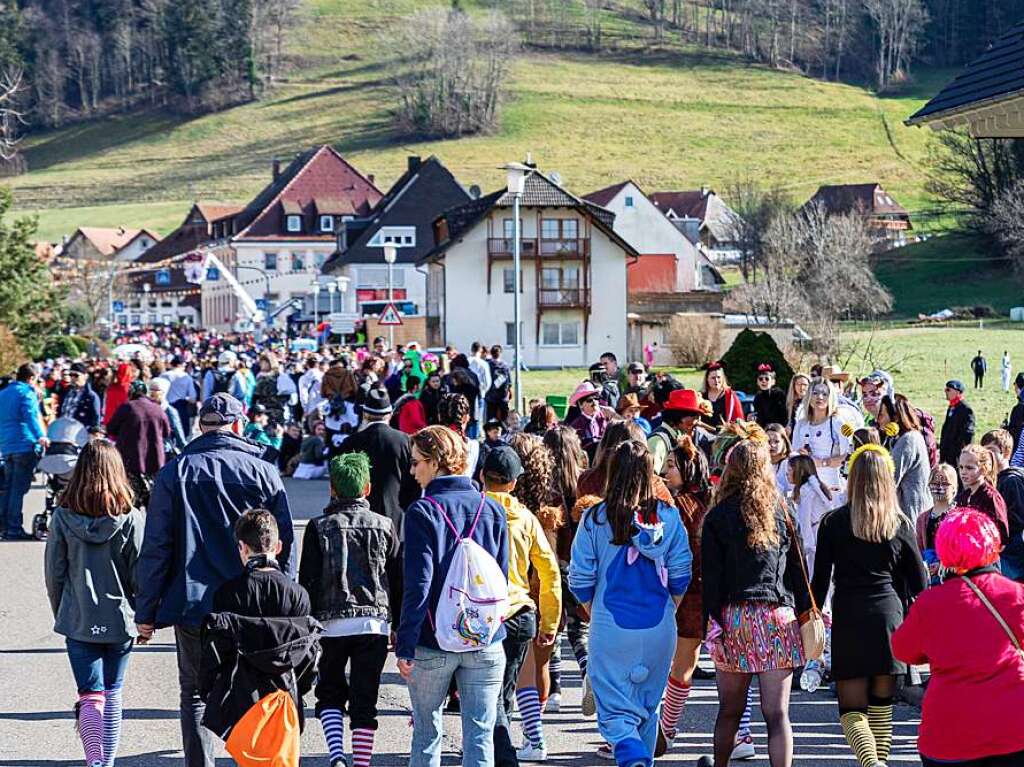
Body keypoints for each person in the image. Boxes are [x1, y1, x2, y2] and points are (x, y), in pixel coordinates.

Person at [135, 392, 294, 767]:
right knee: (256, 684)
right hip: (253, 599)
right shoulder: (263, 470)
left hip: (194, 601)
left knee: (194, 690)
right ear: (237, 425)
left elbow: (156, 546)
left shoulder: (175, 471)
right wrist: (287, 593)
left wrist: (146, 611)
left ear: (200, 425)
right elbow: (283, 537)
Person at [569, 440, 691, 767]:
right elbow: (681, 572)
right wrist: (670, 608)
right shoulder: (667, 515)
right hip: (660, 626)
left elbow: (579, 577)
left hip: (610, 626)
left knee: (616, 716)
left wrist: (594, 613)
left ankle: (634, 760)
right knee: (648, 710)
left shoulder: (595, 517)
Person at [396, 425, 509, 767]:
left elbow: (419, 584)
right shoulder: (491, 509)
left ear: (435, 462)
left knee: (427, 734)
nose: (412, 471)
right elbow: (500, 579)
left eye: (416, 462)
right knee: (479, 735)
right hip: (485, 637)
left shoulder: (422, 512)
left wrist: (405, 643)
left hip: (434, 640)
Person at [701, 421, 811, 767]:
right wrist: (809, 613)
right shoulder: (783, 512)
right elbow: (798, 570)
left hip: (735, 617)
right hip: (778, 616)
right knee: (777, 715)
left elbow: (712, 579)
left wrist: (712, 621)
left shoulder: (717, 516)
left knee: (730, 711)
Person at [811, 443, 927, 767]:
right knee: (881, 708)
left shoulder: (833, 522)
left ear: (853, 479)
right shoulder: (900, 524)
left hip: (850, 617)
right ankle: (878, 763)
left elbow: (819, 581)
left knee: (851, 712)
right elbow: (920, 582)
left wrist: (811, 620)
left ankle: (872, 764)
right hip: (890, 620)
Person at [892, 509, 1024, 767]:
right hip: (1011, 729)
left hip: (947, 734)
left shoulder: (930, 603)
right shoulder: (1014, 595)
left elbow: (902, 650)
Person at [44, 441, 144, 767]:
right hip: (120, 619)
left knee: (90, 695)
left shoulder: (61, 517)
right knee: (113, 695)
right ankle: (109, 760)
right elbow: (140, 572)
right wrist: (144, 616)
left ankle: (94, 762)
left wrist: (62, 611)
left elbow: (54, 573)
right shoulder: (130, 518)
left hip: (78, 616)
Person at [300, 453, 398, 767]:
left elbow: (308, 580)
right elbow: (395, 577)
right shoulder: (384, 525)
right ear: (367, 489)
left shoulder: (318, 527)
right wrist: (397, 622)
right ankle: (362, 761)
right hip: (374, 622)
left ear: (332, 489)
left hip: (330, 624)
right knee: (365, 695)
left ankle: (337, 754)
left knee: (328, 691)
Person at [199, 510, 317, 752]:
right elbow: (307, 654)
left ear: (242, 547)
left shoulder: (227, 594)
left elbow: (216, 654)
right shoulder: (298, 594)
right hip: (285, 697)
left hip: (242, 698)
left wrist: (209, 692)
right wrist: (301, 689)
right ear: (279, 546)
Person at [482, 445, 562, 765]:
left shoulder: (474, 511)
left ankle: (497, 750)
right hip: (521, 612)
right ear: (514, 483)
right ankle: (496, 745)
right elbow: (548, 571)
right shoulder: (526, 518)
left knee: (487, 689)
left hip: (484, 612)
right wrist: (550, 622)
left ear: (481, 477)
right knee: (506, 686)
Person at [659, 437, 712, 750]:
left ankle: (662, 730)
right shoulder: (712, 499)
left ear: (688, 468)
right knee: (687, 667)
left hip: (679, 595)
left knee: (670, 667)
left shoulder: (674, 505)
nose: (665, 471)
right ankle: (666, 728)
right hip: (702, 594)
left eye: (670, 466)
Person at [106, 379, 171, 506]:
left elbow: (111, 429)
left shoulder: (127, 407)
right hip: (154, 461)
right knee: (153, 503)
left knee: (130, 500)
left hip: (129, 461)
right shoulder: (157, 409)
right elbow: (166, 433)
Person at [0, 362, 47, 540]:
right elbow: (31, 416)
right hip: (24, 444)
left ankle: (4, 526)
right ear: (31, 378)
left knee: (8, 488)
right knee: (18, 489)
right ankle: (13, 529)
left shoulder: (3, 393)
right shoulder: (27, 393)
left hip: (7, 445)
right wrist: (41, 436)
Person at [791, 377, 853, 493]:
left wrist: (822, 462)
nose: (820, 397)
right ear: (809, 396)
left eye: (825, 394)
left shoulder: (838, 422)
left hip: (833, 488)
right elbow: (794, 454)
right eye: (815, 393)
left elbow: (849, 455)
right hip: (807, 487)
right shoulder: (801, 424)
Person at [877, 394, 931, 520]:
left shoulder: (908, 440)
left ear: (895, 418)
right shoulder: (897, 439)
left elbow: (890, 479)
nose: (878, 420)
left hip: (912, 513)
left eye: (882, 415)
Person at [981, 429, 1024, 581]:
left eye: (992, 451)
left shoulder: (1012, 481)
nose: (987, 455)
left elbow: (1016, 519)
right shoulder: (991, 480)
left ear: (1006, 453)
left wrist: (999, 537)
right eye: (984, 451)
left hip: (1010, 551)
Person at [647, 388, 713, 474]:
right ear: (678, 416)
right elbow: (651, 478)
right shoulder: (658, 441)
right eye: (694, 416)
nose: (698, 423)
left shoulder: (679, 436)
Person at [956, 444, 1009, 545]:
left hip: (986, 556)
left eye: (969, 468)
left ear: (983, 469)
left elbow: (1002, 536)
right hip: (966, 554)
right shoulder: (963, 496)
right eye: (961, 467)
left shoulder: (991, 497)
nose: (963, 472)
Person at [788, 454, 832, 571]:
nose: (787, 473)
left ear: (800, 471)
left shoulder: (806, 490)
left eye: (790, 470)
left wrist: (805, 546)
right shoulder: (812, 487)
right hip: (820, 535)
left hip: (815, 539)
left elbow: (805, 520)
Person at [916, 463, 958, 584]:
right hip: (928, 574)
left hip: (950, 575)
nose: (939, 486)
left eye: (945, 483)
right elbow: (919, 548)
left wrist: (942, 564)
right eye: (934, 483)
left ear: (954, 487)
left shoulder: (957, 516)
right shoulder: (922, 518)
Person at [148, 377, 188, 457]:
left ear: (163, 392)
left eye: (156, 390)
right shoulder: (147, 407)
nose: (152, 392)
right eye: (151, 389)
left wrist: (185, 449)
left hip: (164, 450)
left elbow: (178, 431)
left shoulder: (169, 411)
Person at [939, 380, 975, 468]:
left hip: (957, 455)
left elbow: (968, 433)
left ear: (957, 392)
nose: (945, 392)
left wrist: (963, 452)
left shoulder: (965, 409)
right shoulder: (952, 407)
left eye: (948, 390)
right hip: (947, 452)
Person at [161, 355, 198, 436]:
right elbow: (193, 397)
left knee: (166, 434)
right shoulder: (187, 377)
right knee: (182, 434)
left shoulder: (163, 375)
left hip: (165, 406)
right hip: (182, 407)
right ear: (181, 365)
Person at [60, 362, 102, 429]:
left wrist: (93, 431)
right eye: (71, 375)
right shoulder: (66, 392)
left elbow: (96, 419)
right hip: (63, 432)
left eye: (76, 375)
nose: (73, 378)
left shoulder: (91, 396)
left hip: (80, 434)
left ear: (85, 376)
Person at [701, 361, 742, 429]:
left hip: (725, 434)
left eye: (719, 377)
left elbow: (738, 419)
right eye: (713, 378)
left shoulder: (730, 396)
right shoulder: (701, 396)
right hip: (704, 433)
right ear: (707, 379)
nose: (716, 380)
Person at [753, 364, 788, 429]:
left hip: (779, 429)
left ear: (773, 382)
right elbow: (758, 416)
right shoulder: (758, 397)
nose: (763, 381)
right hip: (763, 430)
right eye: (760, 379)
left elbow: (785, 415)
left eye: (767, 379)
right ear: (757, 382)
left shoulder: (779, 394)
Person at [486, 345, 513, 423]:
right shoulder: (505, 366)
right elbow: (509, 382)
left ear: (491, 353)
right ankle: (504, 432)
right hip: (503, 396)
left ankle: (490, 432)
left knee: (491, 419)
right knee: (504, 418)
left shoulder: (488, 365)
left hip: (491, 396)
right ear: (500, 353)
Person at [766, 424, 793, 494]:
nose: (772, 445)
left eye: (776, 441)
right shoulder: (762, 464)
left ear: (784, 442)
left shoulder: (789, 464)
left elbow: (794, 493)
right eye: (768, 441)